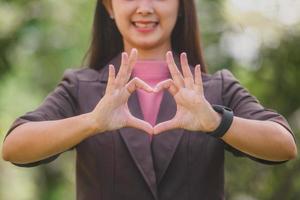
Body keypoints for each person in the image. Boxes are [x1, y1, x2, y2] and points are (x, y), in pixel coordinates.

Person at [2, 0, 297, 199]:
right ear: (109, 6)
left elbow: (283, 144)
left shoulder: (215, 88)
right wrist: (92, 122)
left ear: (182, 6)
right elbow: (14, 146)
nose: (145, 8)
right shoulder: (81, 87)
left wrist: (217, 122)